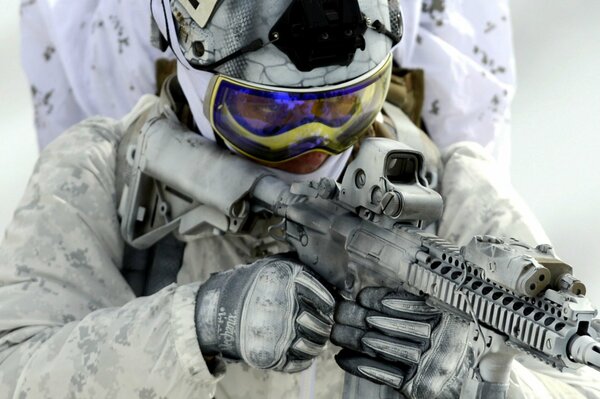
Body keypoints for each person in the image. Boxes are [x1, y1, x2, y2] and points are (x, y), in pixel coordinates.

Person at [3, 0, 599, 398]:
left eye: (345, 108)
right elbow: (16, 371)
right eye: (267, 112)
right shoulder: (100, 175)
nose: (312, 146)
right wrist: (202, 323)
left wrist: (497, 388)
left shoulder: (454, 190)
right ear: (197, 75)